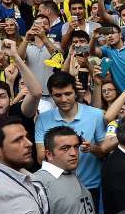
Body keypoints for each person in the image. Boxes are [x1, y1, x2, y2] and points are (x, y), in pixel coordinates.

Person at [34, 71, 107, 201]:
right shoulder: (43, 119)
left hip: (90, 186)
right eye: (58, 95)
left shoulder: (96, 115)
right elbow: (41, 159)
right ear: (51, 96)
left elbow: (104, 151)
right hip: (57, 187)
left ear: (76, 92)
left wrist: (92, 148)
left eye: (68, 94)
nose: (63, 99)